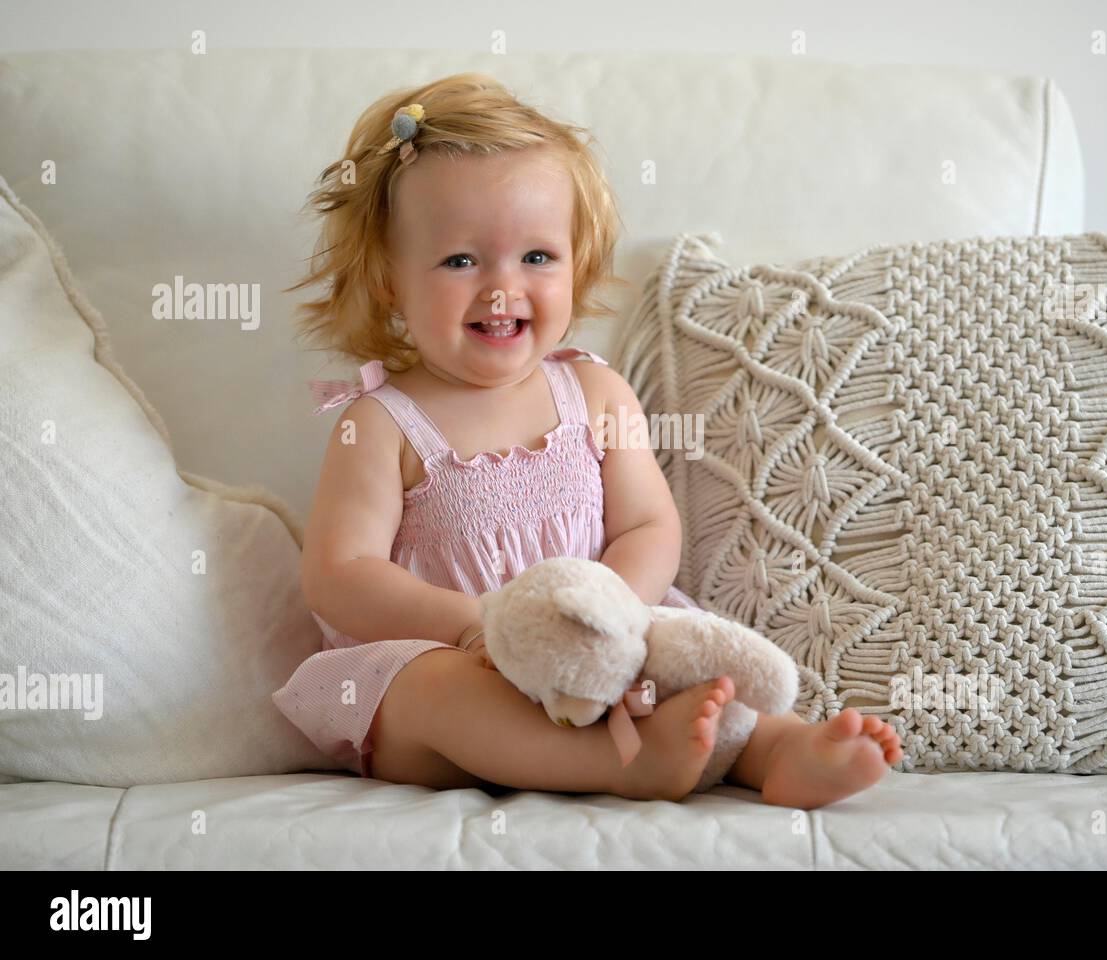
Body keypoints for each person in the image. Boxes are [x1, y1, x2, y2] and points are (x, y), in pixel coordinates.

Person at [272, 74, 901, 808]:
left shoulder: (596, 393)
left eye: (536, 257)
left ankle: (782, 748)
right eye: (460, 261)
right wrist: (479, 631)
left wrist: (618, 622)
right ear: (388, 281)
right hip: (456, 666)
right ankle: (618, 766)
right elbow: (340, 573)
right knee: (427, 692)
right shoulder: (380, 420)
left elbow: (646, 524)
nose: (502, 288)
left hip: (603, 652)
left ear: (577, 261)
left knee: (700, 656)